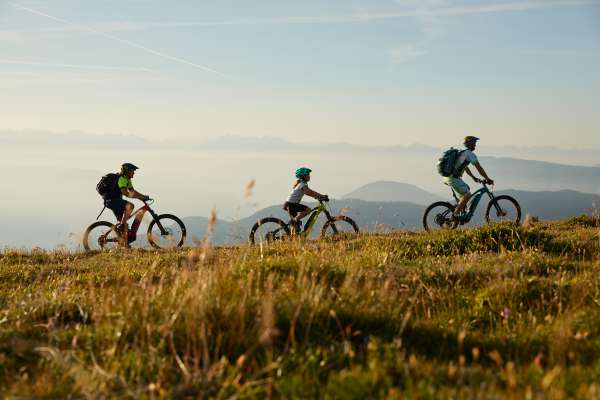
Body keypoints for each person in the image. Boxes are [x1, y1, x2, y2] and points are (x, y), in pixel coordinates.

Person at [444, 136, 494, 220]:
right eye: (474, 143)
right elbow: (479, 168)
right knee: (468, 195)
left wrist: (473, 177)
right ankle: (454, 216)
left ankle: (460, 211)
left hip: (450, 177)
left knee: (467, 189)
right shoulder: (469, 154)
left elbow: (465, 167)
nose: (475, 145)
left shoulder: (462, 152)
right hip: (453, 178)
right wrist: (487, 178)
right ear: (470, 144)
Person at [105, 163, 150, 245]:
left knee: (122, 222)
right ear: (127, 171)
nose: (134, 173)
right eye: (132, 171)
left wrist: (142, 196)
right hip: (112, 201)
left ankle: (123, 242)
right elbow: (125, 193)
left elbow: (132, 192)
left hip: (115, 201)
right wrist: (139, 197)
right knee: (131, 206)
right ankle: (122, 226)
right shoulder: (122, 179)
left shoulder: (127, 179)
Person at [283, 167, 329, 233]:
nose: (309, 176)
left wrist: (318, 196)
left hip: (289, 204)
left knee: (296, 225)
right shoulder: (302, 184)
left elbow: (311, 192)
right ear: (303, 176)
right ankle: (295, 220)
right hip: (291, 204)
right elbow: (309, 192)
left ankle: (293, 238)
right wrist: (321, 196)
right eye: (308, 175)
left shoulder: (301, 183)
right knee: (308, 210)